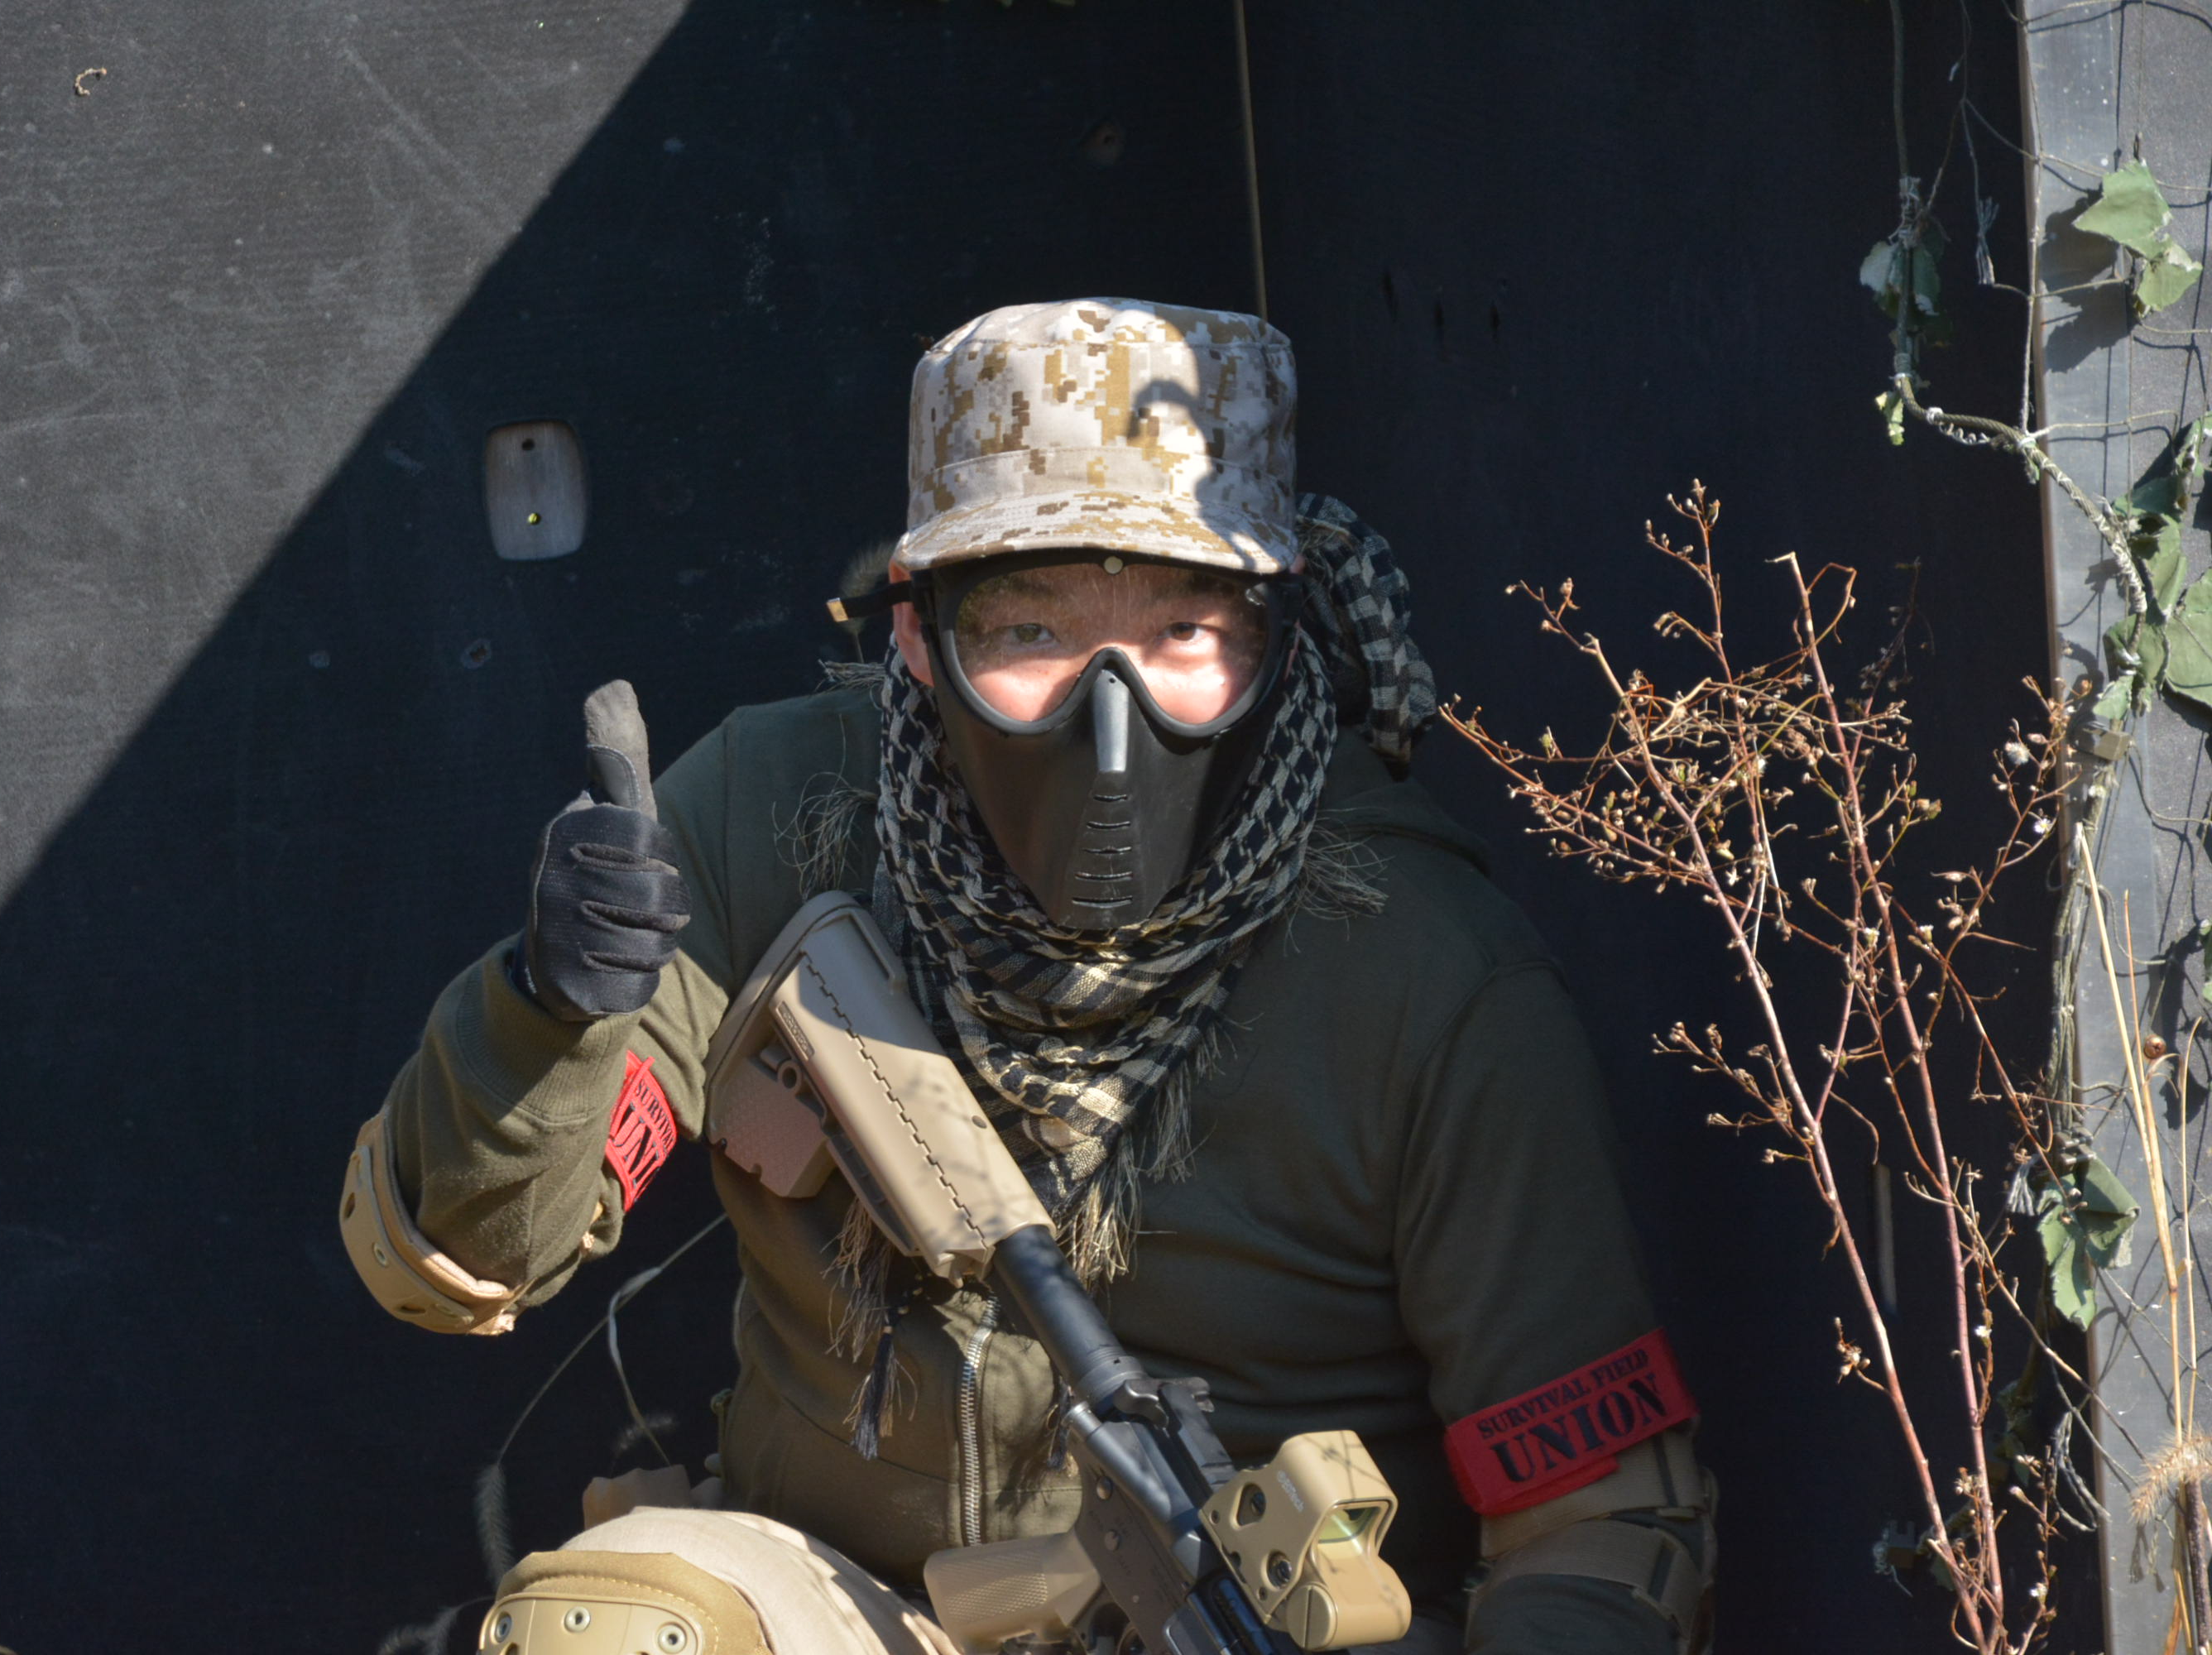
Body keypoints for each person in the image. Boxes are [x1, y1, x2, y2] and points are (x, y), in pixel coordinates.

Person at [338, 298, 1715, 1655]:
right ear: (919, 636)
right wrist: (546, 1016)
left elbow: (1601, 1521)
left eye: (1185, 637)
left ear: (1274, 639)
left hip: (1264, 1628)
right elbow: (462, 1262)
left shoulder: (1427, 968)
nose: (1108, 723)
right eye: (1030, 636)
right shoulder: (772, 814)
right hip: (853, 1609)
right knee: (602, 1634)